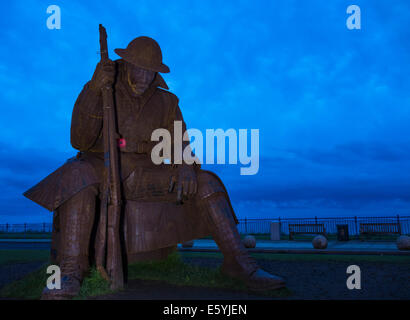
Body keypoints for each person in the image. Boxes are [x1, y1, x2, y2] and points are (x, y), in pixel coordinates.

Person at [24, 36, 285, 299]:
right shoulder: (102, 87)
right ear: (125, 63)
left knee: (207, 182)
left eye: (150, 71)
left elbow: (180, 143)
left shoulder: (167, 102)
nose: (144, 76)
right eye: (138, 67)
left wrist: (185, 164)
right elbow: (78, 140)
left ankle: (239, 263)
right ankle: (70, 271)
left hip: (149, 173)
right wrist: (93, 89)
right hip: (102, 166)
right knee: (76, 174)